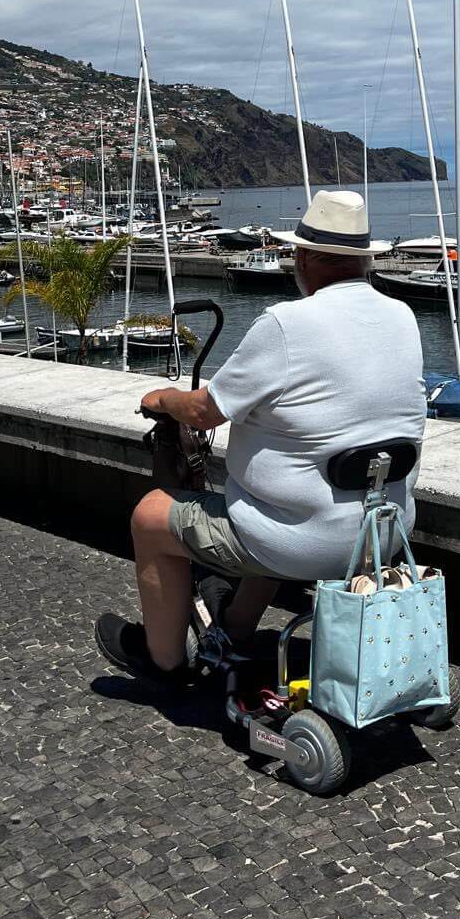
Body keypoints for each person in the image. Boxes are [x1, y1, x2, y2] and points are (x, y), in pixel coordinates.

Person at [95, 188, 426, 685]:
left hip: (305, 539)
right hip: (382, 533)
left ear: (307, 257)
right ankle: (236, 628)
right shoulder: (401, 316)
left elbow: (207, 411)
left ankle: (162, 662)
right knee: (269, 499)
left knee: (151, 517)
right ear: (362, 259)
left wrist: (162, 399)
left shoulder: (287, 323)